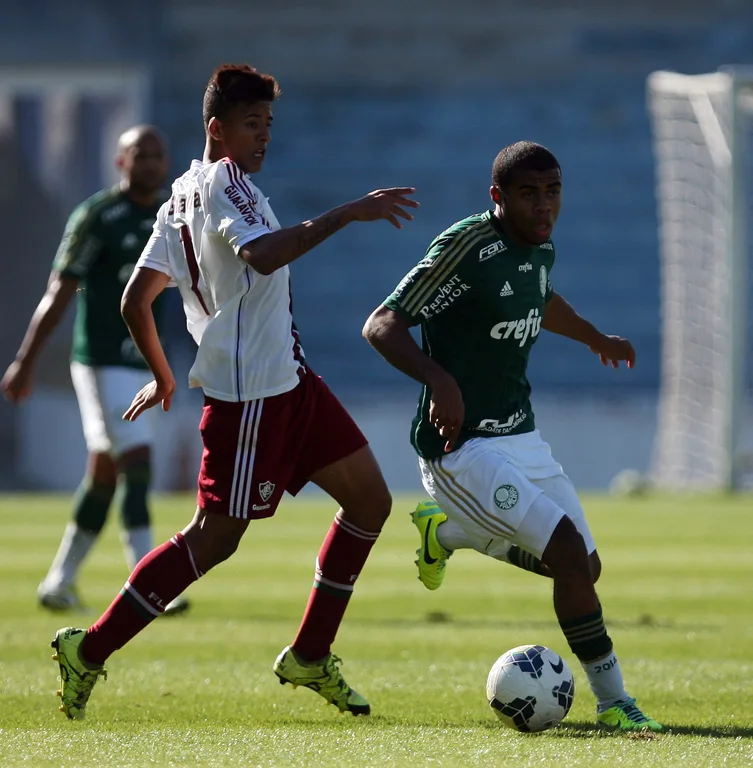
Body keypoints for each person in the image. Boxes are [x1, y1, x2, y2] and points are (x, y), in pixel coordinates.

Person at [49, 63, 419, 721]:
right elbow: (263, 255)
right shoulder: (224, 185)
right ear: (218, 129)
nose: (263, 137)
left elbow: (137, 299)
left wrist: (163, 372)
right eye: (253, 125)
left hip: (290, 380)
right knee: (213, 539)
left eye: (269, 124)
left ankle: (309, 655)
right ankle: (91, 649)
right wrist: (349, 212)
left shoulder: (179, 196)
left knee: (369, 501)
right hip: (252, 399)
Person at [362, 141, 663, 732]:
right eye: (529, 194)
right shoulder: (467, 248)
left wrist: (597, 338)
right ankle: (614, 704)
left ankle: (447, 533)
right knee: (568, 557)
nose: (544, 205)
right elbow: (382, 324)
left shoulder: (539, 244)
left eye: (552, 191)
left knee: (585, 569)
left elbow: (539, 298)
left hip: (520, 435)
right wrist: (438, 378)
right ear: (497, 196)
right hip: (460, 447)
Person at [1, 126, 188, 616]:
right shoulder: (98, 217)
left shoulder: (172, 216)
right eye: (138, 154)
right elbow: (60, 291)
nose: (149, 161)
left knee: (105, 474)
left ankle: (58, 582)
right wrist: (26, 360)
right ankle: (152, 584)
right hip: (101, 362)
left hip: (146, 366)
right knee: (139, 464)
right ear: (120, 162)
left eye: (156, 153)